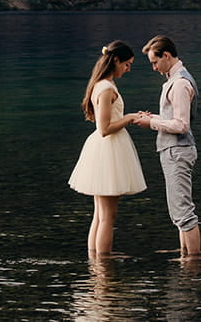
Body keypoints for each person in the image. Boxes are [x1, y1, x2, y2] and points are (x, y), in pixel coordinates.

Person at [68, 40, 147, 255]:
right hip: (108, 150)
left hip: (106, 150)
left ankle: (96, 265)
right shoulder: (105, 88)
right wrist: (130, 118)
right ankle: (104, 267)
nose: (128, 69)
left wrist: (133, 117)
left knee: (100, 215)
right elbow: (104, 128)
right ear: (115, 60)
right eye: (127, 64)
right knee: (107, 217)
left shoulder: (103, 85)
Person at [131, 34, 200, 258]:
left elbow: (181, 125)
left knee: (183, 212)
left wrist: (151, 122)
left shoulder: (179, 84)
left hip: (178, 152)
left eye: (155, 62)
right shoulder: (175, 80)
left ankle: (192, 263)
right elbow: (174, 118)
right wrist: (155, 118)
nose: (153, 67)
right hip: (174, 151)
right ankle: (184, 256)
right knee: (178, 212)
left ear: (167, 56)